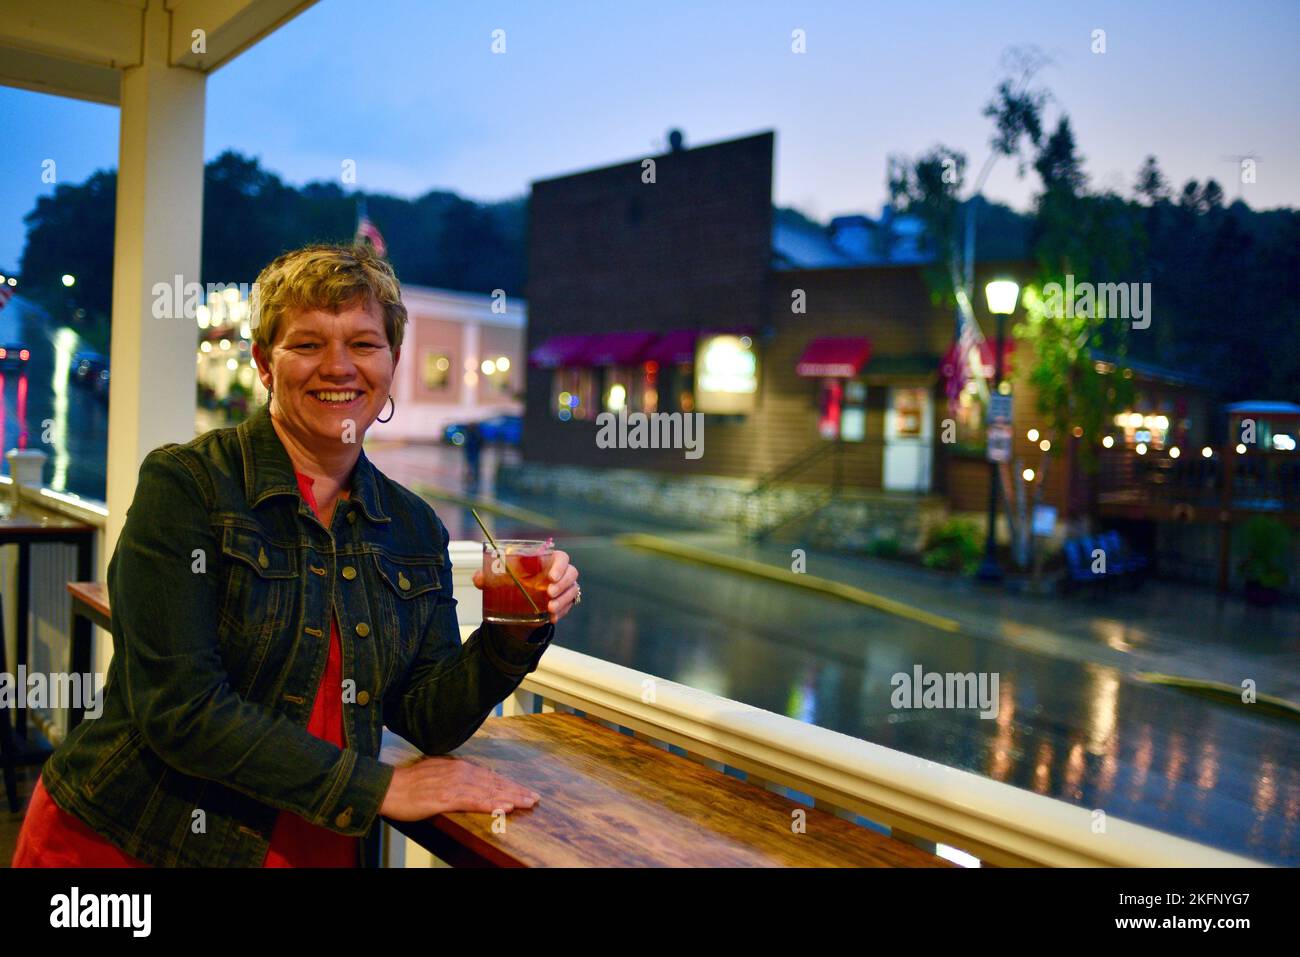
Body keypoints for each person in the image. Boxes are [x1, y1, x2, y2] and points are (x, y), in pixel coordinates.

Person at [12, 243, 581, 867]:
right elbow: (180, 707)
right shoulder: (188, 486)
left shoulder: (413, 526)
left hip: (316, 846)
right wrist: (380, 786)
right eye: (308, 344)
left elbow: (427, 714)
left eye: (364, 344)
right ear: (263, 362)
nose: (338, 367)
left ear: (391, 363)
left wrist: (513, 633)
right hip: (136, 844)